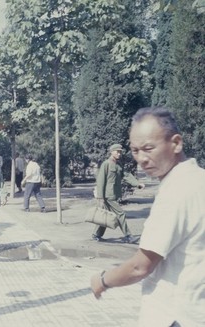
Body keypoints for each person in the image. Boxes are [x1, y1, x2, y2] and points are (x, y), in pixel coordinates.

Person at [90, 107, 205, 326]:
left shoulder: (176, 191)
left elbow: (140, 267)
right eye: (134, 150)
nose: (141, 159)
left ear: (176, 143)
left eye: (148, 148)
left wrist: (103, 280)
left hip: (173, 315)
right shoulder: (199, 179)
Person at [92, 144, 145, 243]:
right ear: (111, 152)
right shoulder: (106, 164)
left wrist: (137, 184)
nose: (119, 153)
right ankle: (129, 236)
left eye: (120, 152)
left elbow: (126, 175)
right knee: (120, 214)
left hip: (113, 195)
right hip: (108, 196)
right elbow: (100, 181)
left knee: (106, 216)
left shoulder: (118, 165)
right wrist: (100, 197)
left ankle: (96, 235)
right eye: (117, 151)